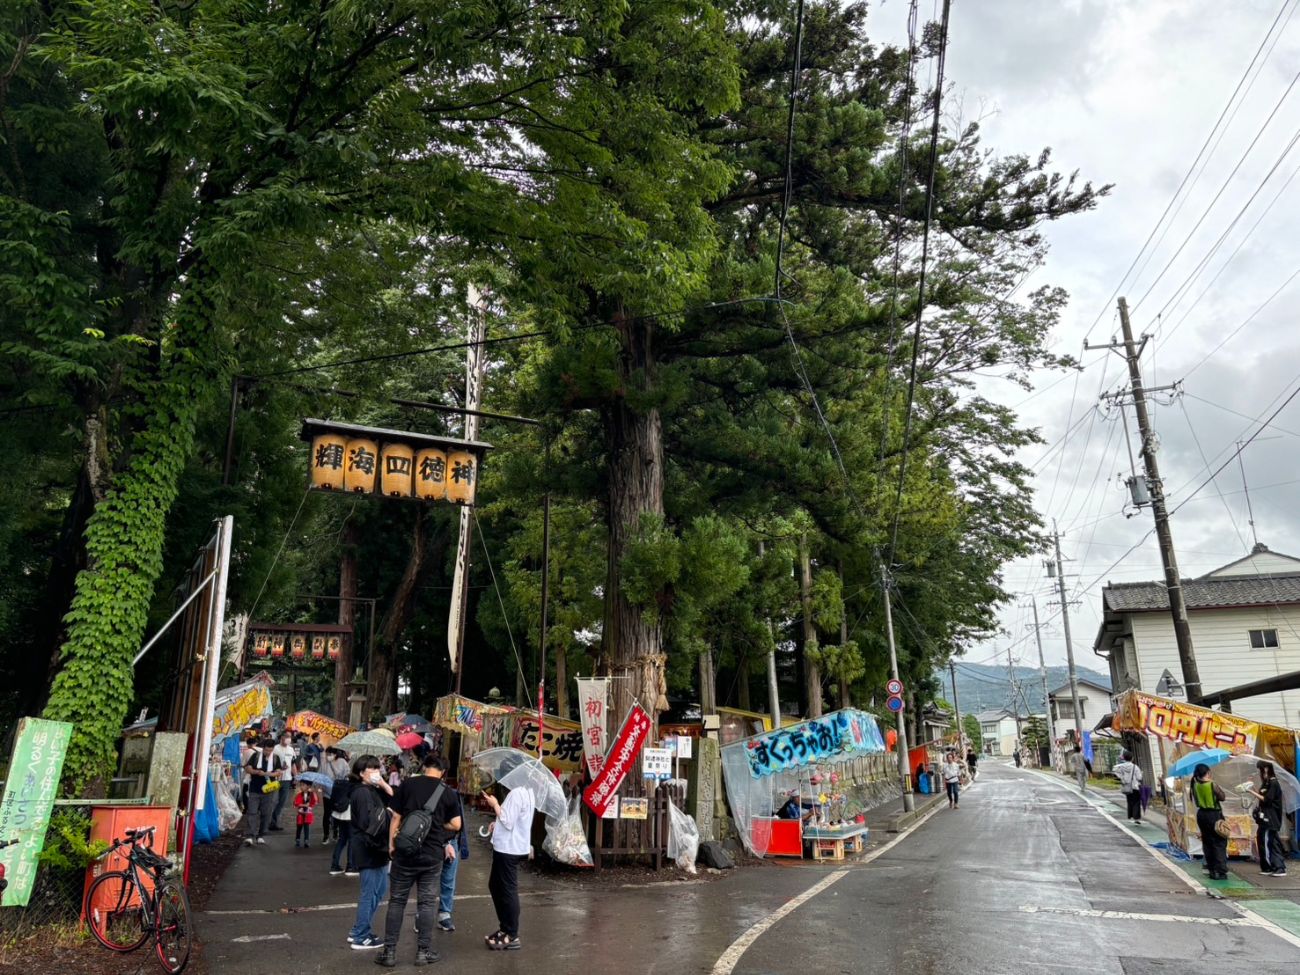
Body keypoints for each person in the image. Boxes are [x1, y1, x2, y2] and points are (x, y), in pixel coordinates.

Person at [374, 753, 462, 968]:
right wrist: (436, 826)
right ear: (443, 771)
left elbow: (395, 816)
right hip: (432, 856)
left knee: (397, 901)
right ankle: (423, 952)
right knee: (426, 903)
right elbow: (456, 825)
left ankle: (390, 952)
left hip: (405, 852)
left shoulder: (408, 784)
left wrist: (392, 845)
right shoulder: (448, 793)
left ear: (425, 767)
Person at [347, 756, 395, 950]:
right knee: (370, 893)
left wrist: (383, 782)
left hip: (376, 849)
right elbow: (371, 824)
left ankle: (359, 929)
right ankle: (360, 935)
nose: (375, 771)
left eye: (377, 767)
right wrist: (389, 815)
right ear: (360, 773)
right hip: (370, 849)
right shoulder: (362, 793)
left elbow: (394, 798)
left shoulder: (371, 790)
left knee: (378, 890)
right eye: (370, 769)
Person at [483, 779, 535, 951]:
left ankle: (511, 933)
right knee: (496, 886)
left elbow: (507, 820)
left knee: (506, 889)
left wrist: (494, 804)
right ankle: (505, 928)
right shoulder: (528, 792)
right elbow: (514, 820)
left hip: (508, 849)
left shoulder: (516, 793)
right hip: (511, 846)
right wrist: (496, 823)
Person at [436, 786, 470, 933]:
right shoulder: (421, 789)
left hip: (451, 840)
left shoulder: (452, 794)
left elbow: (459, 824)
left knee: (448, 880)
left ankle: (444, 914)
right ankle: (422, 916)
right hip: (433, 842)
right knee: (428, 881)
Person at [1190, 763, 1229, 880]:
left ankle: (1211, 869)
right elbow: (1222, 797)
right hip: (1214, 815)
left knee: (1207, 843)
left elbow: (1196, 801)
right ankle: (1220, 870)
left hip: (1202, 815)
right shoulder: (1212, 784)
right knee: (1219, 842)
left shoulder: (1195, 786)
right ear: (1207, 772)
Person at [1248, 761, 1286, 877]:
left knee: (1268, 842)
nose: (1261, 772)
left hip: (1270, 818)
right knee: (1268, 841)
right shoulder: (1267, 783)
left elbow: (1267, 799)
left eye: (1261, 769)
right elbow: (1262, 795)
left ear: (1266, 769)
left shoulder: (1273, 783)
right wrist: (1252, 787)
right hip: (1265, 818)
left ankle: (1275, 867)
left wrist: (1250, 791)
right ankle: (1270, 867)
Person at [243, 737, 283, 846]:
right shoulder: (256, 756)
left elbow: (279, 772)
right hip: (255, 789)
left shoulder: (275, 758)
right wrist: (256, 772)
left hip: (269, 790)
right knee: (252, 812)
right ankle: (250, 835)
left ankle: (261, 835)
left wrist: (268, 774)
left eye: (270, 750)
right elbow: (247, 768)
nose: (268, 752)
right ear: (263, 748)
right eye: (266, 750)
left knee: (266, 813)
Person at [271, 731, 298, 831]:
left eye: (290, 737)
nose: (289, 738)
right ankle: (270, 822)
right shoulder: (275, 748)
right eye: (287, 736)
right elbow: (270, 763)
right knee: (273, 801)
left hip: (287, 780)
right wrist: (278, 768)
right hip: (275, 779)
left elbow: (293, 764)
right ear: (281, 737)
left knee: (282, 802)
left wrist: (296, 776)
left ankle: (274, 821)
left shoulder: (291, 749)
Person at [1113, 751, 1143, 823]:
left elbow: (1115, 770)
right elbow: (1139, 778)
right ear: (1132, 758)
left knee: (1129, 801)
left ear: (1124, 758)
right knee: (1136, 802)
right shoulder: (1135, 767)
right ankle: (1136, 817)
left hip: (1126, 786)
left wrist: (1122, 778)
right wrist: (1141, 774)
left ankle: (1130, 815)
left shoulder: (1121, 766)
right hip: (1135, 786)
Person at [294, 780, 318, 848]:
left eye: (303, 785)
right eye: (301, 785)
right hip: (301, 814)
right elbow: (296, 803)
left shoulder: (311, 794)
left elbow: (315, 802)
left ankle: (306, 840)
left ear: (308, 786)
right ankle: (297, 840)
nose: (301, 787)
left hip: (307, 814)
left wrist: (314, 793)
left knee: (306, 827)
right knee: (299, 827)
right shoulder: (299, 794)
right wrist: (304, 805)